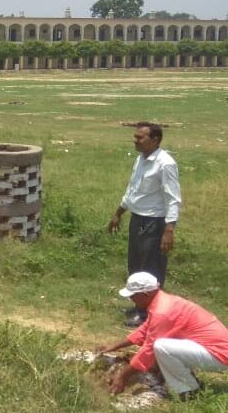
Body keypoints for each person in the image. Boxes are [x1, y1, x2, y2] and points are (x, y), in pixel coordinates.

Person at [96, 272, 228, 401]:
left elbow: (148, 351)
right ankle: (188, 382)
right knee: (162, 346)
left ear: (145, 294)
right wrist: (114, 346)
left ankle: (188, 391)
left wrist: (122, 377)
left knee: (160, 347)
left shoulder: (162, 311)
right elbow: (145, 330)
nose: (131, 299)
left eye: (133, 295)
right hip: (212, 350)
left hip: (219, 355)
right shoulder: (163, 301)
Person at [107, 122, 182, 327]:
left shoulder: (165, 163)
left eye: (140, 137)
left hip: (154, 222)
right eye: (135, 136)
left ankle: (150, 314)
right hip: (138, 218)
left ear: (155, 139)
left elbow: (173, 198)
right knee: (136, 265)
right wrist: (119, 212)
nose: (135, 141)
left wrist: (169, 230)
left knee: (151, 269)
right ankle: (139, 306)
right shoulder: (141, 159)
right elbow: (133, 190)